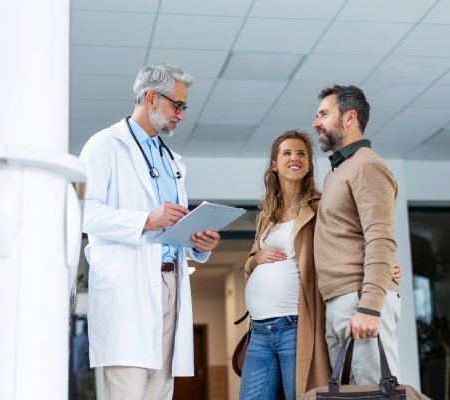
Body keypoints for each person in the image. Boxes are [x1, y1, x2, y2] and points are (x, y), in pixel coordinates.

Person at [79, 64, 220, 400]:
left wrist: (199, 243)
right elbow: (81, 213)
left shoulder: (169, 160)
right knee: (127, 391)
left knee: (159, 391)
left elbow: (171, 227)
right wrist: (145, 219)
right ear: (152, 97)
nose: (182, 116)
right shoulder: (104, 146)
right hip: (128, 284)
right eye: (178, 106)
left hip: (171, 281)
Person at [312, 84, 401, 385]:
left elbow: (381, 239)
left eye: (324, 114)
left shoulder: (366, 166)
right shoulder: (338, 171)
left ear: (349, 118)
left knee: (374, 392)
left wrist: (369, 307)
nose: (316, 123)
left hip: (360, 300)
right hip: (340, 301)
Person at [240, 130, 329, 400]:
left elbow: (345, 245)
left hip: (295, 325)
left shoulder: (321, 207)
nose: (295, 158)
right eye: (287, 153)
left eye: (302, 153)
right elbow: (250, 263)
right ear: (274, 164)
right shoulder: (266, 216)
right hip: (259, 330)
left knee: (302, 397)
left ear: (309, 165)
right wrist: (256, 259)